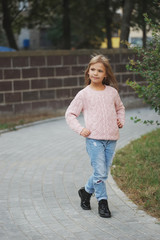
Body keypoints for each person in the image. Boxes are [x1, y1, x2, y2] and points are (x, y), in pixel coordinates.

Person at [65, 54, 125, 218]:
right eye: (93, 69)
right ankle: (102, 203)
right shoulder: (84, 94)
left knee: (103, 172)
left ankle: (85, 192)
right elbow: (70, 114)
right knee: (100, 173)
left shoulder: (112, 92)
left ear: (105, 74)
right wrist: (80, 129)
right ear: (88, 71)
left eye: (100, 70)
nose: (96, 73)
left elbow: (120, 108)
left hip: (111, 138)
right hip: (94, 140)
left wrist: (120, 120)